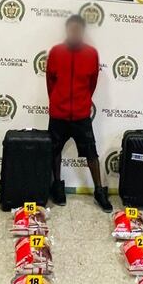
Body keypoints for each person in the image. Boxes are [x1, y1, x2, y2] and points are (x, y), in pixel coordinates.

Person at [45, 14, 111, 212]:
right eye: (71, 29)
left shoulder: (92, 53)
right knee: (54, 152)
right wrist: (57, 102)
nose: (74, 33)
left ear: (82, 31)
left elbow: (92, 84)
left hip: (82, 115)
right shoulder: (56, 52)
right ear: (67, 30)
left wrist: (82, 102)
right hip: (59, 113)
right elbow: (50, 82)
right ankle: (57, 186)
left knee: (91, 153)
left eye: (77, 30)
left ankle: (99, 190)